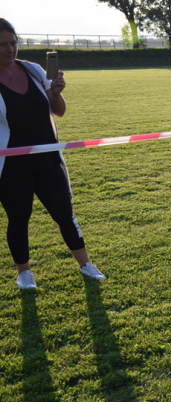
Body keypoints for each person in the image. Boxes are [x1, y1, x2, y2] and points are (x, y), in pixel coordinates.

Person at [0, 19, 105, 290]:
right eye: (2, 45)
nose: (10, 49)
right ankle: (24, 274)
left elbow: (58, 110)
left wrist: (57, 92)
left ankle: (86, 265)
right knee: (19, 219)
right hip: (11, 166)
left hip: (48, 159)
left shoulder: (33, 70)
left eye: (13, 43)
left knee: (65, 213)